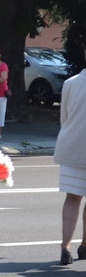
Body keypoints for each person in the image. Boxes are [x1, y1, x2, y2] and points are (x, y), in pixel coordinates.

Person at [55, 58, 86, 265]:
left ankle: (65, 246)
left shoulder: (71, 83)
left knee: (72, 198)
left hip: (72, 144)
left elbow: (64, 116)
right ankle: (85, 245)